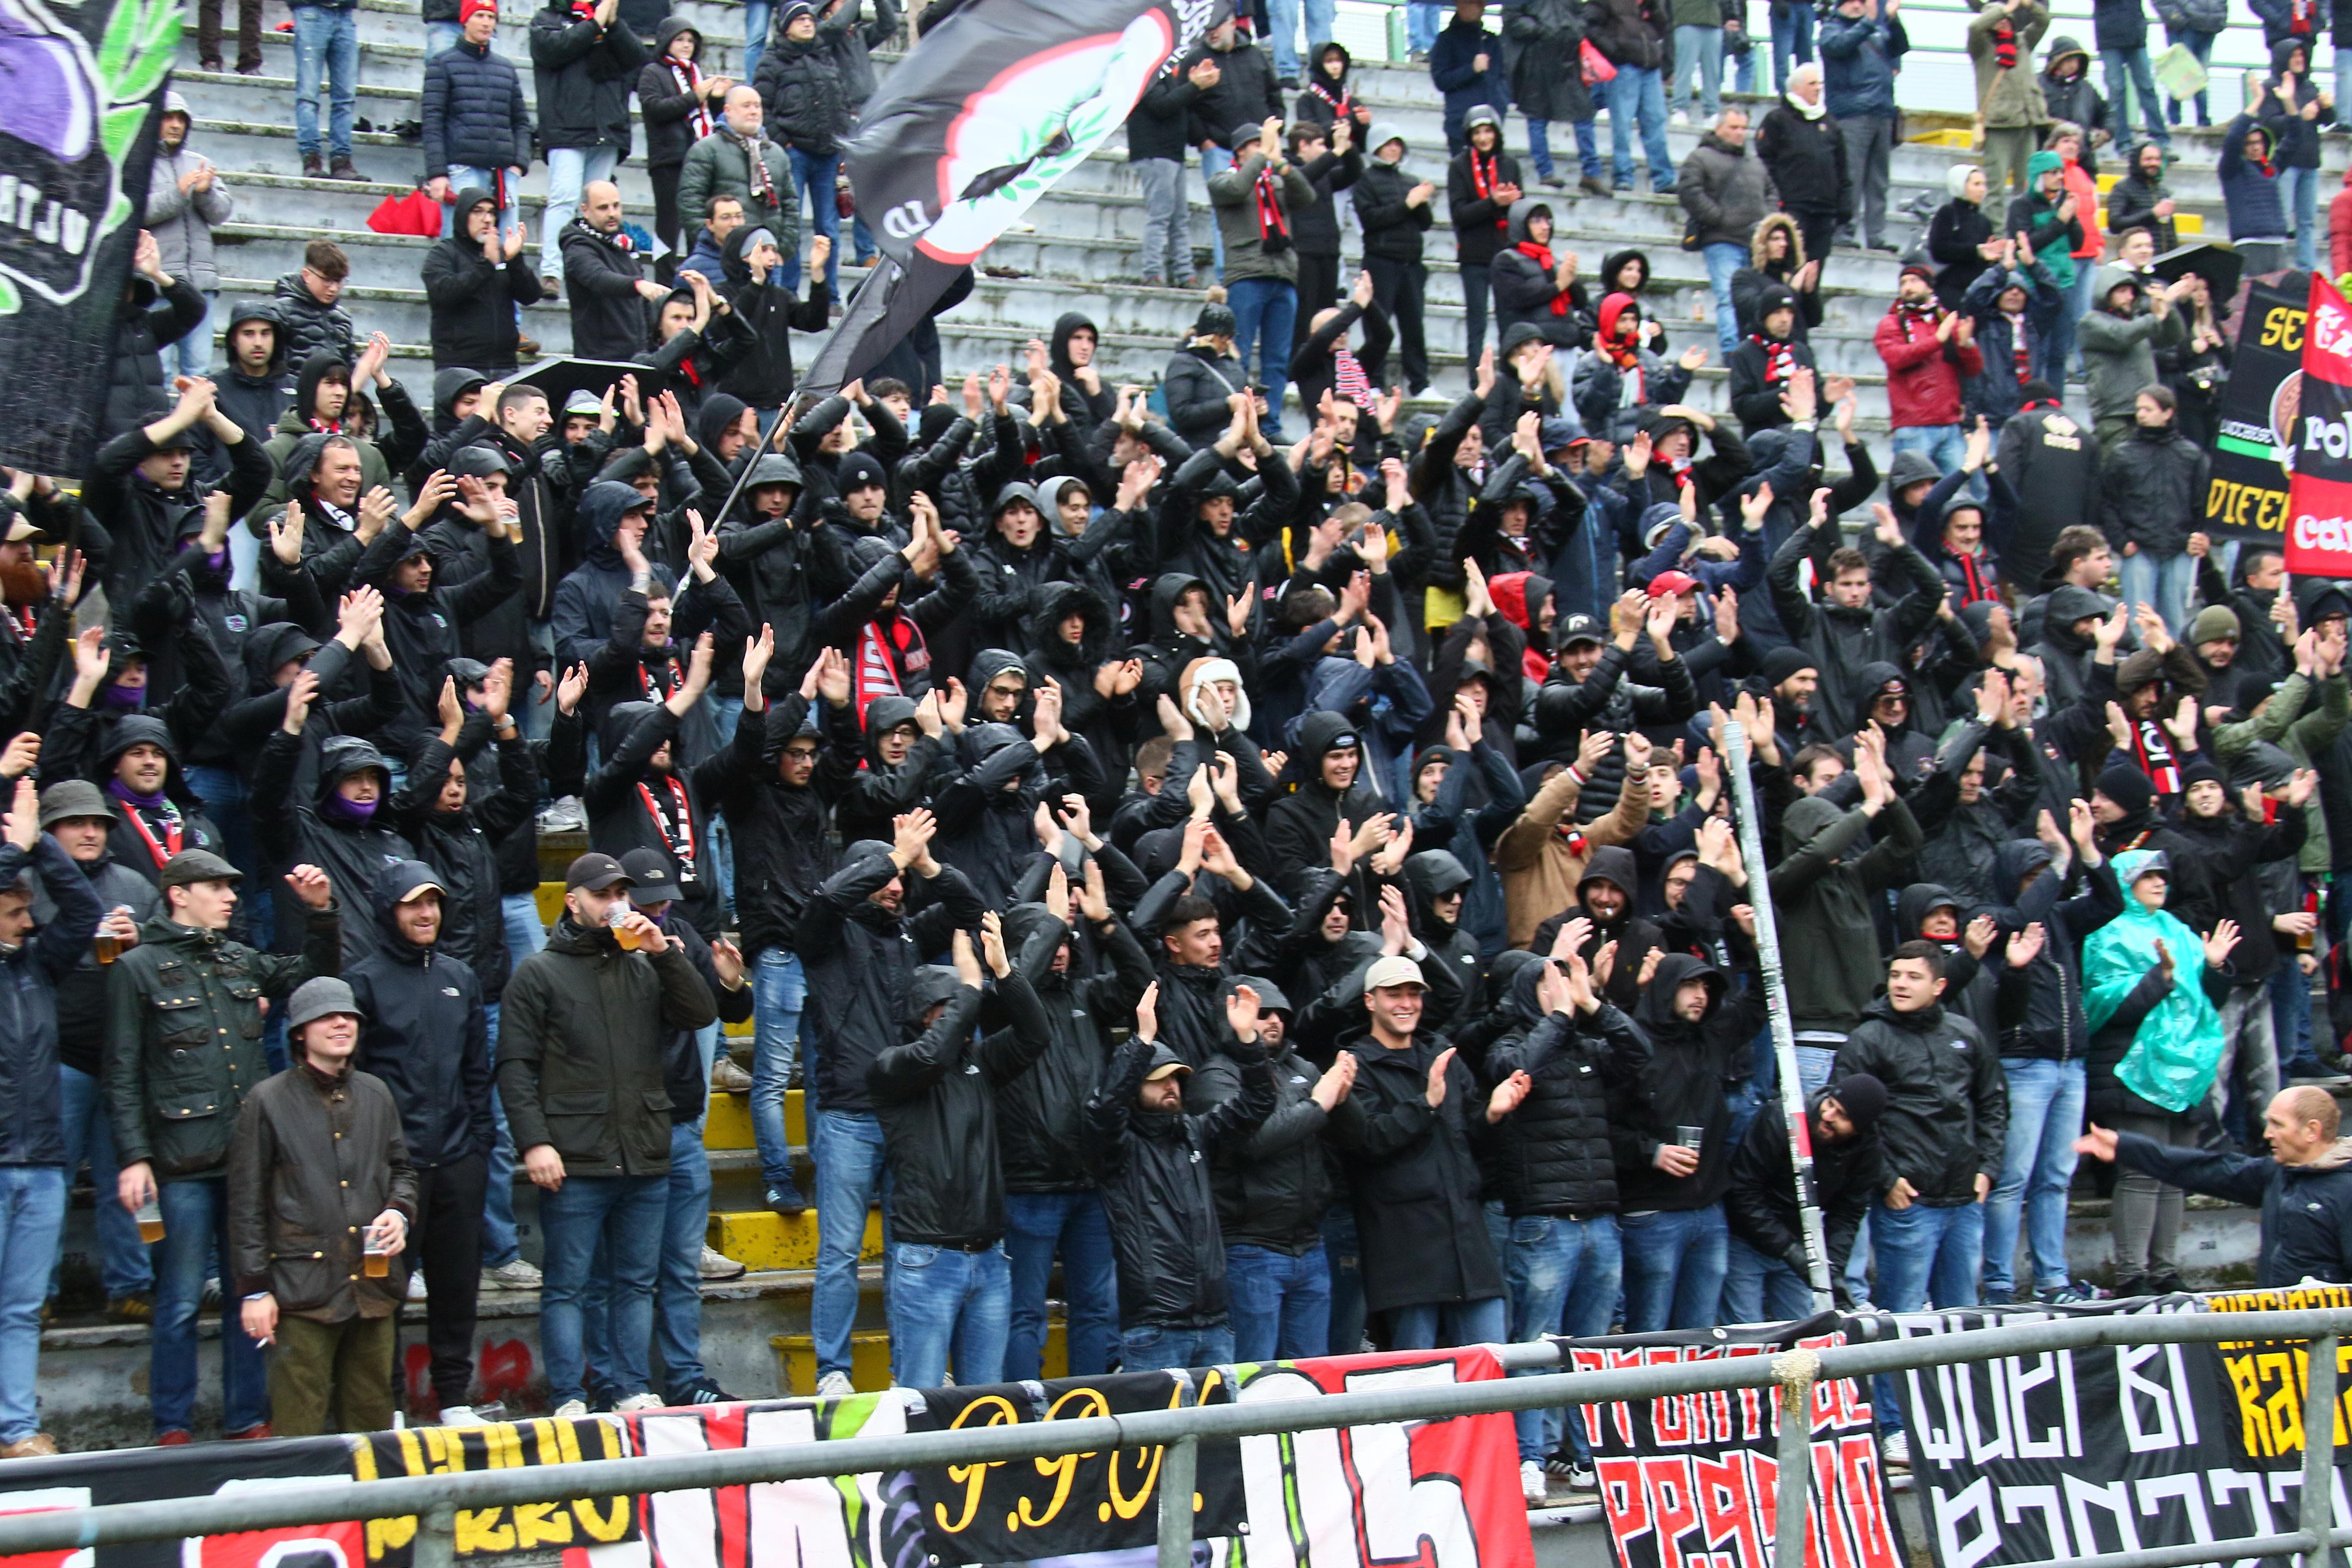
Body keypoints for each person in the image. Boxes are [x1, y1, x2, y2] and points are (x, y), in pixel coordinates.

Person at [108, 849, 342, 1445]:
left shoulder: (239, 958)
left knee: (252, 1292)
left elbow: (312, 979)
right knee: (180, 1299)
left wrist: (321, 914)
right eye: (216, 886)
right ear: (178, 894)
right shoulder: (136, 968)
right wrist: (135, 1157)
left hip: (247, 1161)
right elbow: (122, 1071)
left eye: (233, 887)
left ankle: (247, 1417)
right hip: (180, 1163)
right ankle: (171, 1423)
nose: (232, 897)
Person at [498, 851, 717, 1418]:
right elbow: (514, 1066)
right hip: (575, 1157)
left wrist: (664, 953)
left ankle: (631, 1388)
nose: (616, 904)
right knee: (568, 1285)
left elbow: (701, 1012)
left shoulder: (645, 964)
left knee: (636, 1283)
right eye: (603, 895)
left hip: (644, 1151)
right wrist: (535, 1142)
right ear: (573, 902)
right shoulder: (538, 973)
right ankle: (570, 1395)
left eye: (621, 893)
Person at [797, 812, 983, 1393]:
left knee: (912, 1251)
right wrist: (895, 858)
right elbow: (828, 899)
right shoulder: (826, 934)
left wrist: (928, 865)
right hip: (848, 1116)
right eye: (886, 878)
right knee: (840, 1252)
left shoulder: (908, 936)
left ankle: (912, 1372)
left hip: (909, 1117)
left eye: (902, 880)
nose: (897, 887)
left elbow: (970, 911)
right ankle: (833, 1372)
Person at [1834, 940, 2004, 1464]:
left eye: (1913, 976)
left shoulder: (1965, 1034)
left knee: (1961, 1320)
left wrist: (1988, 1168)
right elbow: (1843, 1118)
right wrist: (1885, 1178)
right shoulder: (1868, 1038)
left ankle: (1957, 1422)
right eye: (1896, 975)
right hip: (1910, 1204)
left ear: (1940, 986)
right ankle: (1894, 1425)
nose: (1901, 984)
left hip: (1964, 1199)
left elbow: (1992, 1102)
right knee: (1901, 1319)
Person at [868, 915, 1055, 1390]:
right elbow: (932, 1055)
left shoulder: (981, 1063)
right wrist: (970, 987)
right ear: (925, 1015)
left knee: (985, 1402)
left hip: (990, 1257)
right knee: (922, 1398)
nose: (965, 1017)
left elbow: (1036, 1035)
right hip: (928, 1259)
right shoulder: (891, 1068)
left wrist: (1005, 975)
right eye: (951, 1007)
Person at [227, 976, 416, 1436]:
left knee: (373, 1435)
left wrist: (399, 1211)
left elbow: (403, 1170)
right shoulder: (266, 1100)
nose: (341, 1024)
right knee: (298, 1436)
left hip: (372, 1290)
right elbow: (246, 1202)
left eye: (349, 1016)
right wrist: (255, 1290)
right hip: (300, 1291)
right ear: (299, 1032)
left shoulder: (376, 1093)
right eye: (327, 1017)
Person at [345, 860, 493, 1426]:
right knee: (382, 1291)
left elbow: (476, 1070)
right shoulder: (362, 982)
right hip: (390, 1169)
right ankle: (387, 1405)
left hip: (458, 1159)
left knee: (457, 1288)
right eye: (414, 904)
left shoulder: (461, 977)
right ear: (390, 911)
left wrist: (479, 1146)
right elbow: (353, 1079)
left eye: (433, 903)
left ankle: (453, 1398)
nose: (427, 913)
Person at [1327, 952, 1512, 1350]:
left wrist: (1493, 1115)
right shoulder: (1354, 1066)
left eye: (1414, 994)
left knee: (1492, 1366)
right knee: (1417, 1377)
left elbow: (1470, 1138)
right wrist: (1425, 1104)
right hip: (1404, 1251)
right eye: (1394, 994)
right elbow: (1367, 1142)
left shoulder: (1442, 1055)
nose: (1407, 1004)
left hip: (1468, 1243)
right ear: (1370, 1001)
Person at [1087, 980, 1274, 1369]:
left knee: (1222, 1415)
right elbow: (1106, 1109)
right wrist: (1142, 1040)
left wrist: (1248, 1040)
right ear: (1134, 1087)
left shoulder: (1195, 1132)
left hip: (1216, 1323)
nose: (1171, 1086)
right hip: (1155, 1328)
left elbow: (1258, 1104)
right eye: (1158, 1079)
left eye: (1175, 1078)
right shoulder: (1118, 1148)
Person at [2081, 847, 2239, 1296]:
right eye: (2147, 875)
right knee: (2141, 1173)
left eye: (2162, 875)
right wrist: (2162, 976)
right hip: (2132, 1068)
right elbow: (2105, 1007)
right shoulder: (2106, 933)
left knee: (2177, 1173)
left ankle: (2165, 1271)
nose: (2159, 882)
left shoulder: (2179, 931)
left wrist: (2214, 967)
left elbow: (2209, 1002)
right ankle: (2132, 1275)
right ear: (2124, 883)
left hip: (2186, 1069)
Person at [0, 780, 98, 1459]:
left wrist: (39, 849)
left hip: (40, 1163)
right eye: (13, 911)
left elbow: (84, 907)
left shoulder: (38, 966)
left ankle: (14, 1430)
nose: (28, 923)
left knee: (21, 1307)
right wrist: (13, 849)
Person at [36, 781, 157, 1329]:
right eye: (76, 823)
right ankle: (37, 1289)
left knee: (127, 1180)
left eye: (98, 824)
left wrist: (143, 941)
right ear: (49, 831)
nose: (90, 832)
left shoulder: (133, 884)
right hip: (53, 1056)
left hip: (122, 1059)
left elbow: (169, 954)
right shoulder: (28, 881)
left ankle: (130, 1286)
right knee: (46, 1184)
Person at [2077, 1084, 2352, 1287]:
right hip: (2279, 1329)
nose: (2268, 1134)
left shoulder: (2346, 1190)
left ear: (2312, 1131)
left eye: (2278, 1125)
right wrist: (2127, 1148)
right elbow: (2203, 1169)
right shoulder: (2276, 1174)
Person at [1722, 1074, 1886, 1320]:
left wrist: (1833, 1269)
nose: (1828, 1116)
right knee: (1746, 1332)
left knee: (1802, 1331)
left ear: (1858, 1129)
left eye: (1842, 1116)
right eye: (1830, 1104)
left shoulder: (1868, 1151)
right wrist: (1790, 1250)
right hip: (1748, 1241)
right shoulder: (1782, 1118)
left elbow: (1848, 1212)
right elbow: (1743, 1190)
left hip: (1803, 1247)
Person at [531, 0, 649, 291]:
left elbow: (639, 60)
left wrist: (614, 24)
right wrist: (594, 24)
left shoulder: (612, 23)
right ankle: (553, 271)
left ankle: (592, 268)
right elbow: (552, 51)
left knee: (600, 207)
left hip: (607, 128)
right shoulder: (548, 18)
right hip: (565, 127)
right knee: (565, 197)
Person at [1209, 118, 1314, 435]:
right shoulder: (1222, 180)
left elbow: (1307, 197)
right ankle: (1238, 419)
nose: (1264, 149)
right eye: (1257, 144)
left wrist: (1282, 164)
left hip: (1283, 274)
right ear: (1240, 151)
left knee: (1278, 359)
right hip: (1247, 275)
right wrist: (1262, 157)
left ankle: (1270, 423)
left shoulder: (1276, 181)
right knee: (1237, 354)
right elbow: (1238, 188)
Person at [423, 0, 532, 243]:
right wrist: (438, 173)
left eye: (491, 17)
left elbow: (521, 122)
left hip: (504, 174)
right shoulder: (442, 64)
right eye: (480, 16)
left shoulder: (506, 68)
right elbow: (432, 122)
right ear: (465, 20)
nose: (486, 23)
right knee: (458, 247)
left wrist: (519, 165)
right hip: (462, 170)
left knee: (505, 250)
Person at [147, 94, 233, 386]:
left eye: (181, 120)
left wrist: (204, 193)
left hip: (200, 284)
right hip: (157, 283)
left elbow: (221, 213)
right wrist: (178, 194)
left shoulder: (200, 163)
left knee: (198, 373)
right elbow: (135, 213)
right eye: (168, 118)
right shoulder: (138, 164)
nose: (176, 125)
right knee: (156, 372)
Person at [1677, 105, 1773, 358]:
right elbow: (1689, 192)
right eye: (1734, 127)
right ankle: (1733, 351)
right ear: (1719, 128)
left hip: (1756, 244)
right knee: (1728, 297)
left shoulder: (1755, 163)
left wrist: (1768, 223)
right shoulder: (1700, 158)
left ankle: (1754, 351)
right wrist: (1718, 218)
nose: (1740, 133)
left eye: (1743, 128)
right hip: (1722, 241)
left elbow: (1772, 194)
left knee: (1756, 299)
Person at [637, 20, 732, 265]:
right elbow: (656, 109)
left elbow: (706, 116)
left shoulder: (696, 73)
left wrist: (716, 99)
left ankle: (697, 276)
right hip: (669, 160)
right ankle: (664, 280)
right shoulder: (652, 72)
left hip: (700, 160)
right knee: (668, 226)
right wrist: (695, 96)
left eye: (691, 41)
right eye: (679, 40)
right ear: (666, 42)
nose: (686, 45)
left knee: (698, 227)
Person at [676, 88, 796, 277]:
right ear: (728, 111)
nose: (754, 112)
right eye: (746, 106)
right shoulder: (706, 150)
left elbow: (791, 205)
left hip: (768, 259)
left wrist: (781, 250)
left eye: (757, 106)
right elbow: (690, 202)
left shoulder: (777, 154)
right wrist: (715, 245)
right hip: (720, 261)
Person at [423, 190, 543, 377]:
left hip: (505, 365)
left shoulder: (502, 255)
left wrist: (514, 261)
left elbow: (531, 296)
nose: (487, 219)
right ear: (463, 216)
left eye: (491, 213)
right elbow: (444, 294)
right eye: (478, 212)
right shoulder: (444, 253)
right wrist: (486, 265)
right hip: (459, 367)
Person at [1354, 125, 1437, 396]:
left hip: (1411, 264)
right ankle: (1372, 382)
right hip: (1381, 262)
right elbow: (1370, 219)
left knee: (1414, 327)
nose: (1394, 149)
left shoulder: (1410, 180)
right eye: (1388, 144)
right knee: (1377, 326)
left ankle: (1420, 383)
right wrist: (1407, 205)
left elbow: (1425, 223)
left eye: (1397, 144)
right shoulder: (1366, 180)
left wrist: (1422, 201)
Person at [1819, 0, 1906, 253]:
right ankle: (1843, 230)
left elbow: (1900, 46)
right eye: (1852, 1)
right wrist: (1869, 22)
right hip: (1851, 114)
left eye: (1862, 1)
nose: (1858, 6)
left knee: (1878, 181)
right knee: (1851, 177)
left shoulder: (1875, 29)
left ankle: (1876, 235)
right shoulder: (1832, 29)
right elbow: (1838, 47)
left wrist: (1892, 20)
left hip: (1882, 111)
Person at [1878, 264, 1982, 475]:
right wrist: (1937, 340)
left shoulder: (1947, 321)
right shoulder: (1891, 323)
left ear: (1930, 287)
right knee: (1913, 489)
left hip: (1950, 425)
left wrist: (1967, 345)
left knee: (1958, 490)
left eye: (1914, 281)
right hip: (1913, 427)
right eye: (1903, 283)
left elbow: (1974, 370)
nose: (1908, 287)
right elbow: (1896, 358)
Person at [564, 182, 672, 362]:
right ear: (585, 210)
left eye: (616, 206)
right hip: (600, 359)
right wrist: (638, 285)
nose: (612, 213)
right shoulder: (577, 247)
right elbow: (598, 278)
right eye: (603, 208)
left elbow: (642, 302)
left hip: (638, 354)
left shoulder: (623, 242)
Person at [1501, 0, 1599, 194]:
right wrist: (1541, 30)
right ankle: (1546, 172)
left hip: (1570, 58)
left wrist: (1576, 29)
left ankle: (1591, 174)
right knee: (1537, 117)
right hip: (1537, 59)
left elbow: (1587, 11)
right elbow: (1511, 17)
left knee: (1584, 114)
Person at [1448, 108, 1521, 361]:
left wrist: (1512, 202)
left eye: (1488, 131)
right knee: (1476, 322)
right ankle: (1476, 378)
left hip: (1506, 254)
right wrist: (1493, 202)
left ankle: (1510, 373)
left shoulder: (1509, 165)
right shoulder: (1459, 166)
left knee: (1508, 321)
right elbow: (1460, 214)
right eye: (1477, 133)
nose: (1483, 138)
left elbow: (1520, 213)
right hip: (1474, 255)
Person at [1757, 66, 1848, 267]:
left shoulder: (1830, 123)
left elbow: (1842, 167)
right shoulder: (1777, 120)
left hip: (1824, 211)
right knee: (1790, 265)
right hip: (1793, 207)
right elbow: (1765, 161)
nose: (1819, 88)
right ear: (1797, 88)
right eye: (1812, 84)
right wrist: (1778, 196)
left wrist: (1844, 205)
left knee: (1815, 269)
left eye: (1820, 84)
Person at [1587, 0, 1674, 193]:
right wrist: (1613, 51)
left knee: (1656, 122)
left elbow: (1663, 28)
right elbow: (1589, 25)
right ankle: (1623, 177)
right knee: (1622, 125)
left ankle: (1664, 179)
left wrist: (1654, 8)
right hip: (1624, 68)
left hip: (1650, 67)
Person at [1968, 0, 2050, 203]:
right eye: (1998, 19)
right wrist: (2006, 8)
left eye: (2006, 19)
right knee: (1995, 186)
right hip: (1999, 124)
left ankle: (2022, 223)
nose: (2004, 21)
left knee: (2028, 185)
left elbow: (2043, 22)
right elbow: (1975, 27)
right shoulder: (1981, 47)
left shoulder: (2022, 42)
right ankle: (1995, 224)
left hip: (2027, 121)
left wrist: (2029, 5)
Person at [289, 0, 362, 180]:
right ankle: (313, 159)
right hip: (311, 10)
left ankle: (340, 160)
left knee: (344, 96)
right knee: (310, 94)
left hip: (343, 13)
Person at [2219, 104, 2294, 276]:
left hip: (2278, 243)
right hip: (2250, 244)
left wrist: (2291, 105)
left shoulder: (2272, 167)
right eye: (2249, 144)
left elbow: (2295, 140)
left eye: (2258, 142)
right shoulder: (2232, 170)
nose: (2255, 147)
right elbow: (2232, 140)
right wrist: (2255, 105)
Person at [1429, 0, 1512, 153]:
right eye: (1474, 2)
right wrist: (1472, 69)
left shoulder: (1491, 40)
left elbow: (1501, 79)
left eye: (1482, 3)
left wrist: (1500, 109)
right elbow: (1441, 80)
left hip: (1491, 126)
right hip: (1461, 126)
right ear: (1460, 5)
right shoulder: (1446, 40)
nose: (1480, 7)